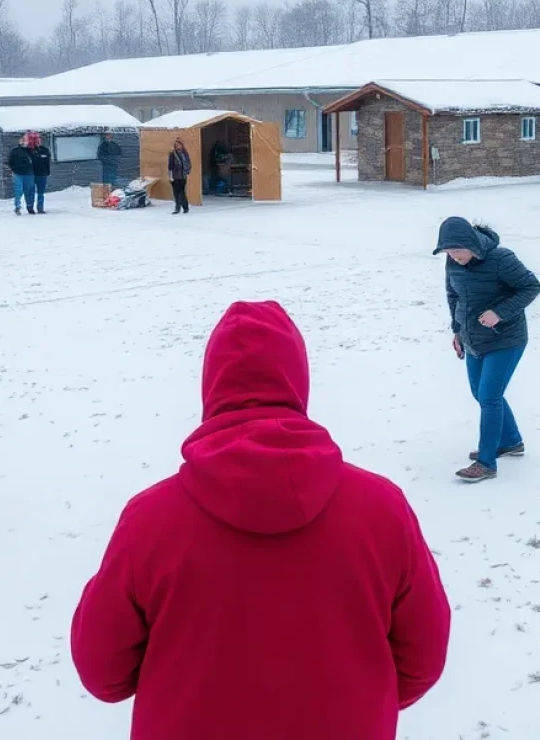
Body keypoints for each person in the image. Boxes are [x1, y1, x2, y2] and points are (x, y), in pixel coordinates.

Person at [71, 301, 450, 740]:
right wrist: (360, 698)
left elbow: (103, 671)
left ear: (210, 387)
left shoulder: (149, 520)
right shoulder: (381, 509)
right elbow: (423, 655)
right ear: (298, 382)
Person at [434, 217, 540, 483]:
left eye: (457, 251)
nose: (453, 257)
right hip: (473, 338)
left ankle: (486, 462)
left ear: (470, 244)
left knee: (489, 397)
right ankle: (511, 442)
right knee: (479, 393)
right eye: (448, 252)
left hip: (506, 338)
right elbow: (453, 297)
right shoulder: (453, 263)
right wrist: (457, 330)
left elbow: (531, 286)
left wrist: (499, 313)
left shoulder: (501, 259)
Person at [7, 133, 36, 215]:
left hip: (29, 174)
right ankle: (17, 207)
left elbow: (35, 162)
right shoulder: (14, 151)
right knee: (18, 190)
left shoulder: (31, 150)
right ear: (19, 141)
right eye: (22, 140)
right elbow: (10, 162)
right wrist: (14, 170)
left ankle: (30, 207)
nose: (24, 142)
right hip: (18, 174)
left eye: (26, 140)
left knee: (29, 191)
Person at [167, 137, 192, 215]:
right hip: (175, 176)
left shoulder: (184, 153)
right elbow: (170, 166)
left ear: (181, 145)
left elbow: (188, 163)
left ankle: (185, 207)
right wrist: (170, 175)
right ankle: (178, 207)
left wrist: (187, 171)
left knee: (181, 192)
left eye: (179, 144)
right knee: (176, 193)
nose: (177, 146)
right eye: (176, 144)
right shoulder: (172, 153)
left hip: (182, 176)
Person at [28, 132, 51, 214]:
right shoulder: (28, 151)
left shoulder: (45, 150)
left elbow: (47, 162)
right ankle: (30, 208)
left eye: (39, 140)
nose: (38, 142)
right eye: (36, 140)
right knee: (31, 192)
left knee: (41, 193)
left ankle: (40, 208)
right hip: (31, 175)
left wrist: (47, 172)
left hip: (42, 175)